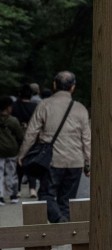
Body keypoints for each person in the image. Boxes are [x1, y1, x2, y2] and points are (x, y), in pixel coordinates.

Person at [17, 70, 91, 223]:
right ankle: (63, 231)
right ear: (73, 87)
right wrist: (88, 163)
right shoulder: (80, 109)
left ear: (54, 85)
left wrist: (22, 154)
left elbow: (31, 133)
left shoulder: (45, 105)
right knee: (67, 200)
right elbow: (87, 139)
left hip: (52, 160)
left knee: (46, 196)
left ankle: (59, 221)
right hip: (75, 161)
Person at [11, 84, 39, 198]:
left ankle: (17, 189)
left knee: (19, 163)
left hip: (17, 137)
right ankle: (32, 189)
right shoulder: (35, 106)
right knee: (31, 162)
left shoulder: (14, 106)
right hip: (32, 137)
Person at [0, 98, 24, 204]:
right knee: (12, 173)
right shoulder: (13, 120)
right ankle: (13, 195)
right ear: (8, 107)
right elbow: (20, 136)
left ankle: (0, 196)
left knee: (0, 174)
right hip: (11, 150)